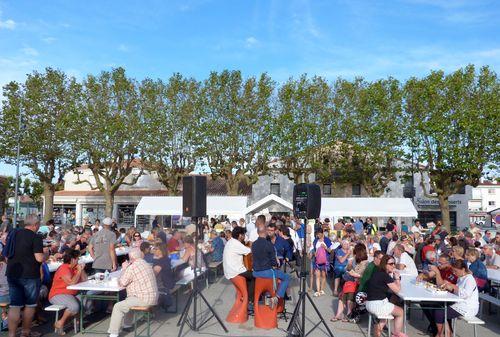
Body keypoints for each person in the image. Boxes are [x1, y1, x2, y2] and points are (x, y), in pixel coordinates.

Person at [6, 215, 44, 337]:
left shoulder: (13, 234)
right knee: (30, 304)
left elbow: (6, 255)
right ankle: (25, 332)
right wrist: (46, 255)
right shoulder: (36, 237)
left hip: (13, 272)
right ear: (35, 225)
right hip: (30, 275)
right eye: (38, 225)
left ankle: (11, 334)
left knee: (15, 305)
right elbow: (39, 258)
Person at [108, 249, 158, 337]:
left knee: (118, 306)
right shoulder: (146, 264)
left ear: (131, 258)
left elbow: (122, 283)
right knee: (129, 300)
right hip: (152, 296)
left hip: (143, 298)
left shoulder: (132, 267)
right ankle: (127, 325)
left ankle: (113, 333)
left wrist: (124, 269)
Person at [434, 260, 479, 337]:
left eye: (455, 271)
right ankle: (447, 333)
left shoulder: (469, 279)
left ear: (463, 269)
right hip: (460, 303)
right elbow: (457, 291)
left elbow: (466, 294)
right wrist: (449, 288)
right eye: (453, 271)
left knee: (440, 313)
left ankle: (442, 334)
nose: (454, 273)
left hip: (467, 307)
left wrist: (453, 286)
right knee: (438, 306)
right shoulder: (461, 278)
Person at [48, 249, 87, 335]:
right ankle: (60, 322)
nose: (78, 260)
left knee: (85, 301)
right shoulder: (64, 268)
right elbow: (71, 282)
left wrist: (82, 269)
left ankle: (77, 322)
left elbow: (85, 279)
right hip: (58, 294)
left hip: (72, 293)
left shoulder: (75, 268)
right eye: (77, 258)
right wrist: (79, 271)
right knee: (74, 306)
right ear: (72, 259)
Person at [365, 255, 405, 337]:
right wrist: (397, 278)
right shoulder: (385, 276)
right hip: (377, 305)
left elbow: (384, 288)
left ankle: (379, 327)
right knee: (401, 312)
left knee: (388, 309)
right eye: (391, 264)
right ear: (384, 264)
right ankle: (396, 334)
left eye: (394, 263)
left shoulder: (377, 272)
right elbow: (397, 290)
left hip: (369, 303)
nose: (393, 266)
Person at [251, 225, 290, 309]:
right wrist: (277, 263)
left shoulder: (253, 244)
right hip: (266, 273)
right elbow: (273, 262)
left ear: (258, 233)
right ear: (265, 232)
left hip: (255, 273)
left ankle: (267, 296)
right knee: (286, 277)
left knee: (274, 277)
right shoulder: (269, 245)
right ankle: (277, 297)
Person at [332, 243, 369, 322]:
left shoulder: (365, 263)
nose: (354, 255)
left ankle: (348, 314)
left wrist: (354, 273)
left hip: (361, 285)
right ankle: (340, 314)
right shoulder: (357, 261)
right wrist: (349, 266)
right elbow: (347, 270)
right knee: (346, 290)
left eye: (355, 253)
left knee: (349, 290)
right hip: (353, 282)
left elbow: (363, 276)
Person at [222, 226, 254, 303]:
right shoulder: (236, 244)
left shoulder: (230, 241)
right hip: (235, 271)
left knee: (249, 276)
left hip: (229, 271)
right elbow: (249, 251)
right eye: (244, 235)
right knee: (255, 276)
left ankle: (247, 296)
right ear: (240, 235)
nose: (244, 237)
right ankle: (249, 299)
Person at [152, 243, 175, 311]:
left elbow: (153, 275)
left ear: (161, 251)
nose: (154, 250)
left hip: (164, 285)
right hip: (169, 282)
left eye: (156, 249)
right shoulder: (166, 259)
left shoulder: (160, 262)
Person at [312, 230, 332, 297]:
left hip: (325, 261)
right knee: (317, 276)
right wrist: (314, 253)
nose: (318, 236)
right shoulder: (315, 240)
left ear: (322, 233)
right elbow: (314, 250)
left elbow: (330, 250)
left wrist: (325, 247)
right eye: (317, 234)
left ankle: (321, 289)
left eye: (319, 234)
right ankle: (318, 291)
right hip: (317, 260)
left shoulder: (327, 240)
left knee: (323, 275)